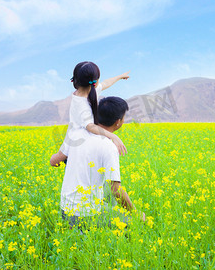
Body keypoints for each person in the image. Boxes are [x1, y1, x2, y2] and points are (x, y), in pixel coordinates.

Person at [50, 96, 146, 228]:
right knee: (133, 222)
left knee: (107, 194)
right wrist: (136, 213)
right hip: (85, 216)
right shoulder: (109, 147)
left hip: (65, 210)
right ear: (118, 122)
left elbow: (53, 162)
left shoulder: (76, 134)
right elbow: (116, 189)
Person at [50, 61, 130, 167]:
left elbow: (106, 83)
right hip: (75, 138)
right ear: (95, 82)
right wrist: (113, 136)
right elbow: (90, 127)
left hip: (87, 138)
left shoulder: (91, 90)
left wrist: (120, 76)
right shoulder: (80, 103)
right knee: (56, 161)